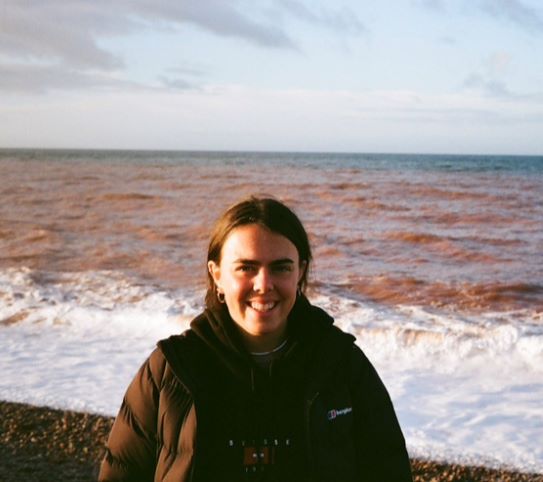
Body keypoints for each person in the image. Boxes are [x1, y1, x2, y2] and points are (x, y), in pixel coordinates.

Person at [99, 196, 412, 481]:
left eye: (281, 267)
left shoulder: (341, 363)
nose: (264, 284)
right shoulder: (171, 370)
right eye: (246, 267)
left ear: (300, 272)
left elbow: (390, 471)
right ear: (217, 274)